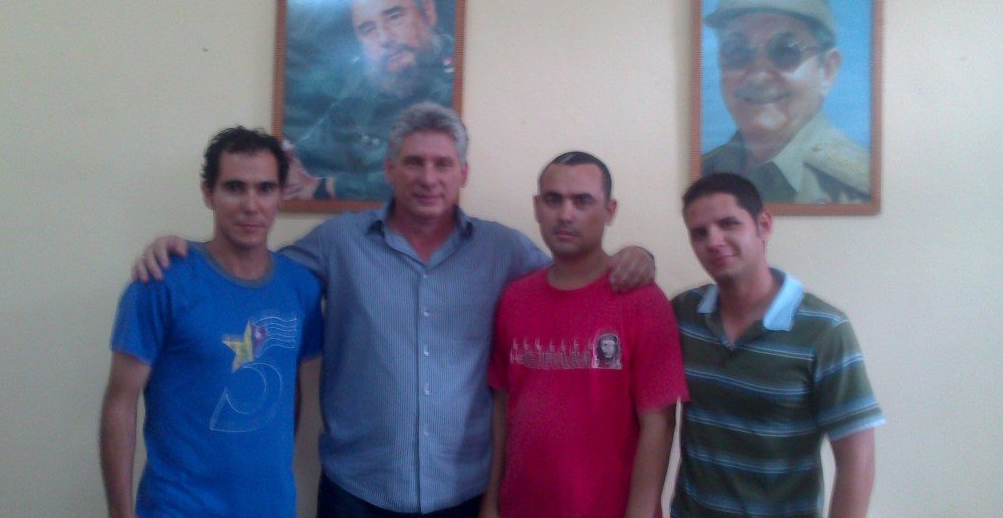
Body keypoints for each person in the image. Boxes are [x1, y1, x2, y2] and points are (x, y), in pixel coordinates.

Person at [133, 104, 656, 518]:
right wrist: (188, 254)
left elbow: (573, 277)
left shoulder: (504, 251)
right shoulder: (340, 242)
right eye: (413, 162)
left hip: (464, 493)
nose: (428, 177)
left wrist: (636, 257)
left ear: (463, 173)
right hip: (357, 491)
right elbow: (255, 274)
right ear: (389, 170)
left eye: (442, 163)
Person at [99, 127, 323, 518]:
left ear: (281, 195)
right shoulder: (162, 283)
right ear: (208, 193)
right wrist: (120, 513)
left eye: (265, 189)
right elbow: (120, 403)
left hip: (272, 508)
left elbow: (293, 392)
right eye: (235, 187)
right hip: (179, 507)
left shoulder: (300, 287)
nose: (251, 205)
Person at [480, 152, 689, 518]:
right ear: (536, 207)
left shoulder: (643, 302)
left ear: (609, 210)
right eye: (553, 199)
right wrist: (491, 502)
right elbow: (502, 405)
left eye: (582, 201)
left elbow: (659, 423)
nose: (565, 214)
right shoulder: (515, 298)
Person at [670, 173, 884, 517]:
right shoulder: (683, 314)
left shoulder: (825, 330)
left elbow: (857, 460)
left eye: (729, 224)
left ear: (764, 225)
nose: (714, 241)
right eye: (699, 232)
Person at [701, 0, 870, 204]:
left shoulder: (857, 191)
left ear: (827, 70)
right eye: (737, 51)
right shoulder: (705, 174)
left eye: (785, 50)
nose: (758, 75)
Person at [285, 0, 456, 202]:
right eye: (368, 29)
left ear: (428, 12)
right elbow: (319, 141)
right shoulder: (368, 82)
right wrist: (284, 159)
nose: (384, 38)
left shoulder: (456, 84)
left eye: (394, 16)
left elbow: (425, 179)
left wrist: (329, 187)